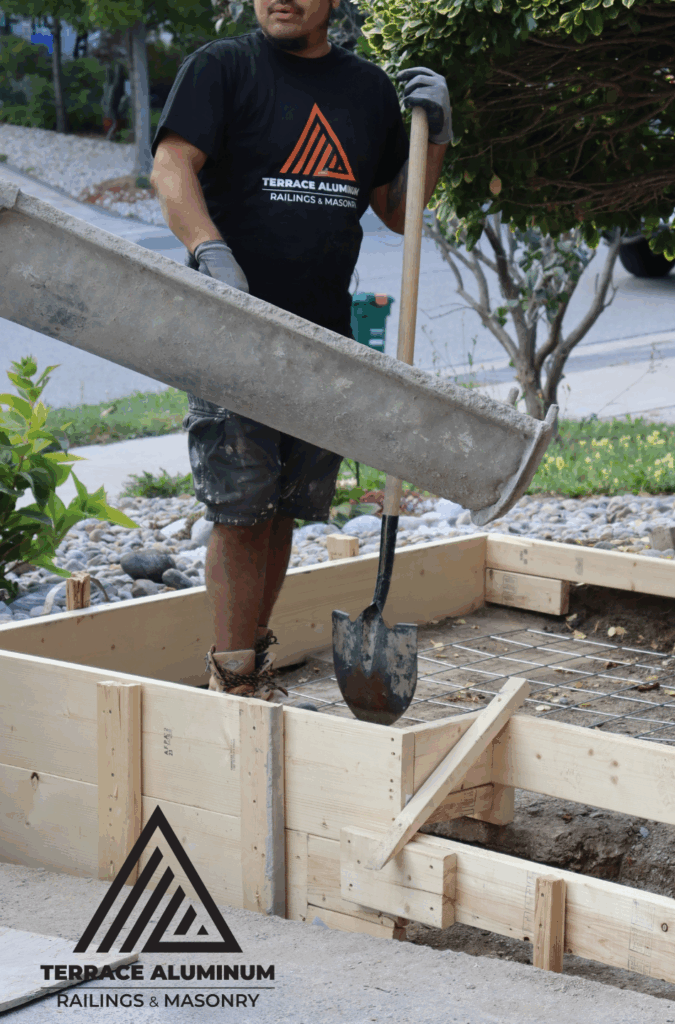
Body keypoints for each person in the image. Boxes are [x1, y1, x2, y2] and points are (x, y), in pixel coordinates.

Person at [150, 0, 452, 699]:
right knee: (239, 506)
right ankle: (231, 676)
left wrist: (434, 136)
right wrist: (210, 249)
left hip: (322, 341)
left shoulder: (367, 90)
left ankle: (252, 660)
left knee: (284, 507)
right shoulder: (223, 68)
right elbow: (171, 167)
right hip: (234, 334)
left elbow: (400, 212)